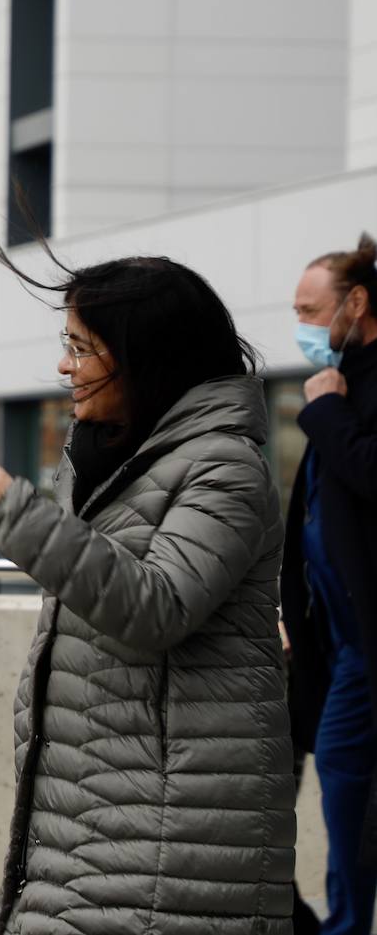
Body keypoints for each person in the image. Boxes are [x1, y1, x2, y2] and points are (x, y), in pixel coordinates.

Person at [0, 248, 295, 935]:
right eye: (65, 343)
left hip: (172, 844)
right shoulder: (112, 461)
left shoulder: (225, 466)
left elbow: (157, 603)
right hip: (92, 826)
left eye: (82, 346)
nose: (64, 365)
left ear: (146, 357)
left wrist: (15, 513)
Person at [281, 234, 377, 935]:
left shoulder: (341, 393)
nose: (303, 326)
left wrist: (327, 411)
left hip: (366, 641)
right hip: (336, 637)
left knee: (345, 776)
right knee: (344, 784)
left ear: (357, 302)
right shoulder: (340, 383)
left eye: (311, 310)